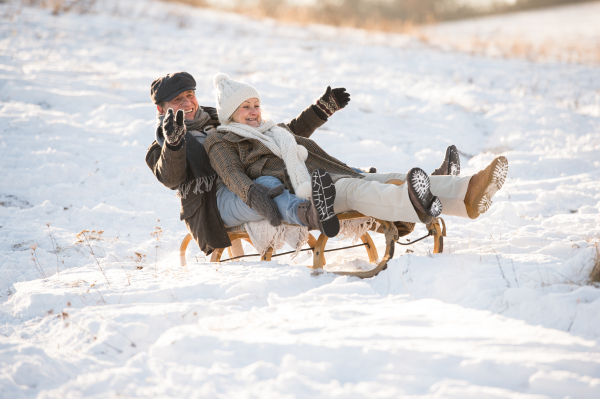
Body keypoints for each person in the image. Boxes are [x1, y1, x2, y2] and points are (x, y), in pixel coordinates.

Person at [205, 74, 508, 230]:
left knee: (388, 177)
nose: (254, 111)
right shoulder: (222, 139)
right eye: (246, 107)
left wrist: (322, 109)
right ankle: (413, 206)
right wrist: (253, 194)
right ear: (231, 114)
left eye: (256, 105)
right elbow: (230, 173)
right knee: (352, 189)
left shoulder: (272, 131)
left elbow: (297, 126)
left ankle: (468, 191)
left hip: (328, 171)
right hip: (308, 192)